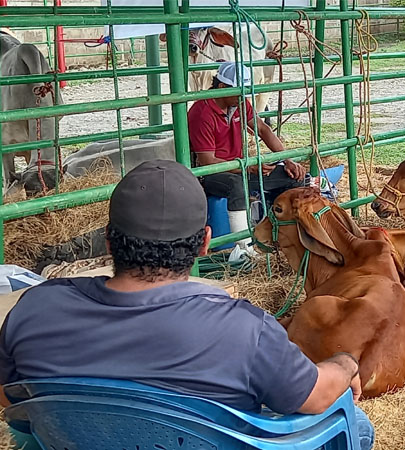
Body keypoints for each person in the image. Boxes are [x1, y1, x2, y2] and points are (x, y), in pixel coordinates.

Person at [0, 160, 374, 450]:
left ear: (110, 244)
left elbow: (10, 398)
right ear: (205, 244)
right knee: (356, 424)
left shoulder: (36, 308)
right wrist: (345, 364)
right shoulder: (244, 328)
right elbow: (317, 396)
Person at [188, 61, 307, 251]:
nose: (243, 96)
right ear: (221, 87)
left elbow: (262, 128)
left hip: (240, 166)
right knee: (237, 186)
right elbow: (207, 162)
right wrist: (248, 167)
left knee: (295, 177)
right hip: (211, 174)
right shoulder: (202, 112)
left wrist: (288, 160)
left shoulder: (239, 103)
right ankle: (244, 249)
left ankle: (283, 237)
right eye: (239, 91)